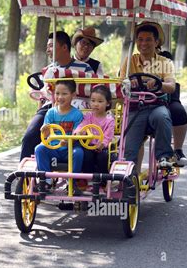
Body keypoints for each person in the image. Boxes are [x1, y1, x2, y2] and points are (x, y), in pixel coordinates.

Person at [19, 31, 94, 161]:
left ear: (64, 47)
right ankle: (23, 175)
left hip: (78, 109)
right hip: (51, 108)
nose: (48, 50)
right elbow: (44, 95)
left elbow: (92, 91)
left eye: (51, 46)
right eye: (47, 46)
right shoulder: (48, 69)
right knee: (30, 136)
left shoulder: (85, 68)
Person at [119, 21, 175, 168]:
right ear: (136, 41)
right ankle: (128, 175)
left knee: (162, 116)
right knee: (128, 151)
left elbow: (171, 86)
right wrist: (129, 84)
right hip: (135, 107)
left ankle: (164, 157)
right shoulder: (129, 61)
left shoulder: (165, 62)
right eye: (140, 39)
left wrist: (159, 84)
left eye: (148, 40)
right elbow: (120, 85)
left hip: (156, 105)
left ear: (156, 42)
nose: (144, 43)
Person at [34, 80, 84, 193]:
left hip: (69, 149)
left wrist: (68, 141)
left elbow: (77, 134)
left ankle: (72, 182)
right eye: (57, 93)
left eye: (64, 94)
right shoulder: (51, 113)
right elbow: (45, 135)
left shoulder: (77, 115)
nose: (60, 97)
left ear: (73, 95)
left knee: (79, 153)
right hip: (53, 148)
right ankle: (46, 181)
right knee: (39, 148)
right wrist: (45, 130)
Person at [74, 85, 115, 175]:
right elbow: (82, 126)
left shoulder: (109, 120)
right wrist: (78, 132)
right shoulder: (88, 116)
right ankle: (89, 178)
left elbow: (108, 136)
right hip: (89, 145)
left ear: (107, 103)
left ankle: (103, 180)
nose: (95, 104)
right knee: (86, 154)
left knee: (103, 157)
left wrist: (102, 144)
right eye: (93, 101)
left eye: (100, 101)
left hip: (103, 147)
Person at [158, 50, 187, 167]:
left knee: (178, 111)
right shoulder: (136, 60)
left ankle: (178, 150)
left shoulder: (165, 58)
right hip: (143, 100)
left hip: (168, 98)